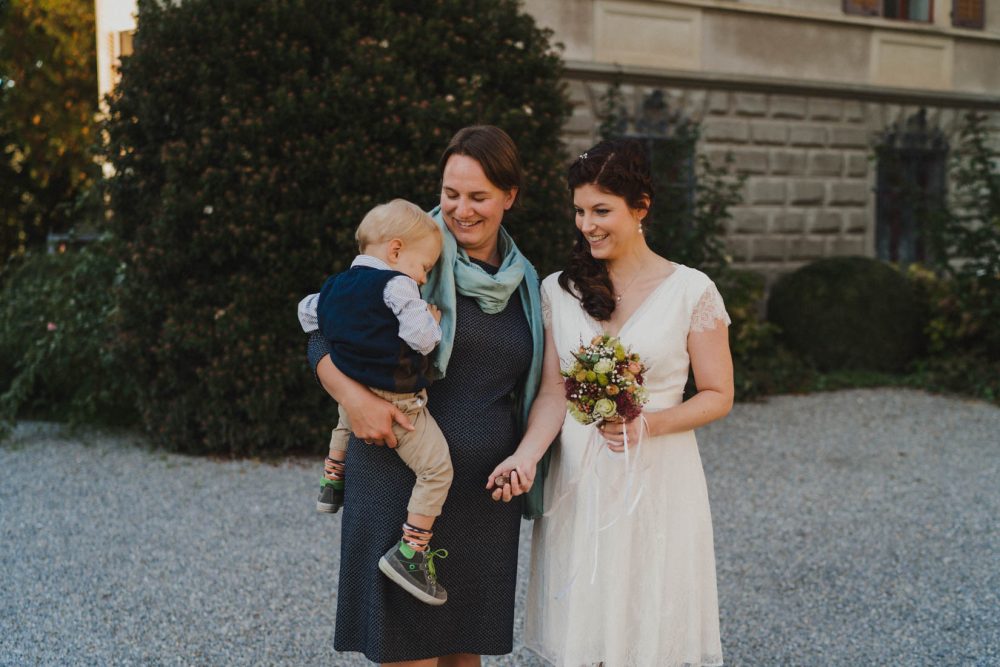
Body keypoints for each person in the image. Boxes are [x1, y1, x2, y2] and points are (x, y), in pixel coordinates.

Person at [302, 126, 545, 665]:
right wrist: (355, 401)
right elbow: (322, 334)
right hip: (399, 474)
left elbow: (541, 383)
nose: (461, 210)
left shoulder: (526, 281)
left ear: (509, 196)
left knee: (464, 654)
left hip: (483, 495)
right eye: (450, 193)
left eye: (479, 196)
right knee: (407, 653)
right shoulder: (408, 253)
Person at [486, 138, 734, 666]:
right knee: (586, 625)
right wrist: (526, 456)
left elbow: (718, 394)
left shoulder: (692, 290)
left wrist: (650, 424)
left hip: (659, 474)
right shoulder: (558, 290)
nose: (587, 225)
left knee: (651, 619)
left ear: (640, 208)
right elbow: (554, 391)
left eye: (601, 211)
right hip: (579, 477)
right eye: (579, 211)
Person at [305, 198, 453, 606]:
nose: (423, 277)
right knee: (436, 469)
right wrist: (433, 320)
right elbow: (422, 339)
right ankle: (411, 552)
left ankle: (332, 481)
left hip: (354, 387)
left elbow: (307, 316)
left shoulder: (334, 285)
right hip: (396, 398)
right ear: (396, 251)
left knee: (344, 419)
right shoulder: (398, 285)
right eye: (424, 266)